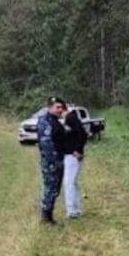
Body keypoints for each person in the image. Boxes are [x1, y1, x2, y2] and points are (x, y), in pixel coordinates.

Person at [37, 96, 67, 224]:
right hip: (51, 162)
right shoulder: (46, 121)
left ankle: (48, 216)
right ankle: (46, 218)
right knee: (50, 189)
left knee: (54, 189)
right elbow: (46, 144)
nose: (60, 110)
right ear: (49, 107)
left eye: (61, 107)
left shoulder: (54, 121)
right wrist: (55, 161)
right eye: (57, 107)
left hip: (57, 160)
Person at [61, 106, 90, 219]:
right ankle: (76, 209)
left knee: (68, 183)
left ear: (63, 109)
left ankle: (72, 211)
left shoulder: (71, 118)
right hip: (69, 155)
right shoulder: (69, 119)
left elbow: (82, 134)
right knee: (72, 183)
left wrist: (78, 150)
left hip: (72, 156)